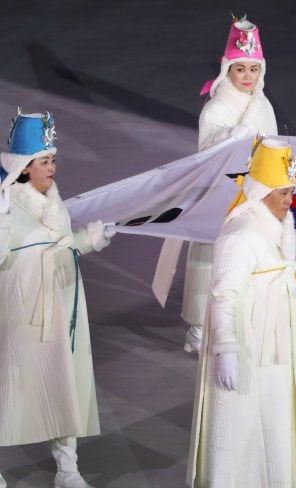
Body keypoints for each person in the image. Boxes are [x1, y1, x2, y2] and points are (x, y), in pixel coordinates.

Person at [186, 137, 296, 487]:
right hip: (250, 344)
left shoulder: (276, 226)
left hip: (278, 346)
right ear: (261, 191)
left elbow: (279, 273)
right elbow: (224, 295)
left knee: (274, 419)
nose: (290, 200)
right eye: (283, 192)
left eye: (291, 191)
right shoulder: (239, 235)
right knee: (242, 422)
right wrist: (225, 349)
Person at [0, 111, 115, 488]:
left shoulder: (53, 197)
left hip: (63, 301)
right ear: (25, 165)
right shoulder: (7, 202)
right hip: (24, 307)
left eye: (53, 160)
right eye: (45, 161)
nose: (52, 168)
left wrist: (90, 240)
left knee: (65, 382)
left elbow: (62, 245)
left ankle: (68, 468)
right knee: (12, 384)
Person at [153, 14, 278, 356]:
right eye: (241, 69)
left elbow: (274, 147)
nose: (247, 76)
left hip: (252, 195)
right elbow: (206, 153)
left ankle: (241, 319)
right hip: (219, 194)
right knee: (210, 257)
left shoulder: (263, 107)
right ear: (228, 70)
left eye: (253, 69)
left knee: (247, 256)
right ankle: (197, 325)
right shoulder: (216, 109)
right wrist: (229, 137)